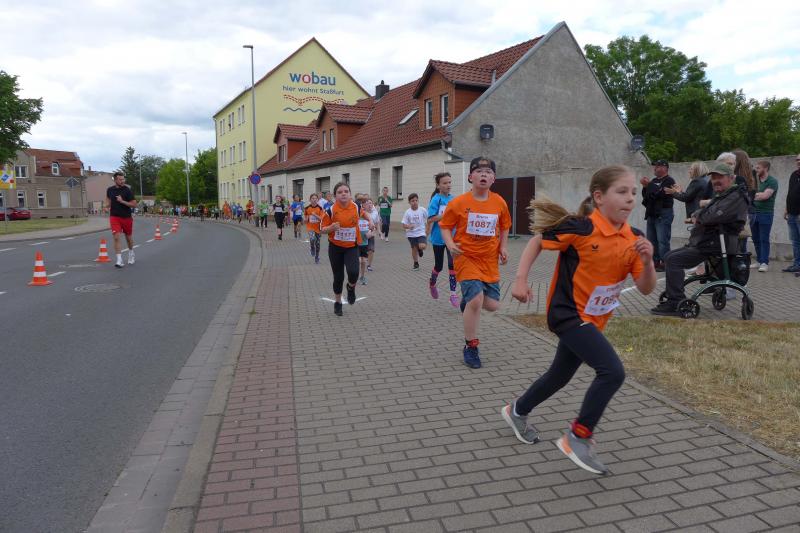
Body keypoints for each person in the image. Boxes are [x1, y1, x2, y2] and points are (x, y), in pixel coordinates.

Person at [505, 164, 656, 475]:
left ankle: (516, 410)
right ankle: (579, 437)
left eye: (634, 192)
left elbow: (645, 289)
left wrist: (648, 261)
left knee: (559, 376)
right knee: (612, 372)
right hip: (567, 314)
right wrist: (520, 280)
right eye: (622, 191)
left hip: (594, 320)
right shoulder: (581, 228)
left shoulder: (635, 238)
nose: (630, 198)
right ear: (599, 197)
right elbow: (537, 241)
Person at [439, 157, 511, 369]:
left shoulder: (499, 202)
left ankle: (467, 302)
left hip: (489, 260)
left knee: (492, 306)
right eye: (479, 171)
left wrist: (503, 247)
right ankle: (471, 347)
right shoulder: (459, 203)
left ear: (494, 178)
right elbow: (445, 226)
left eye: (488, 172)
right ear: (470, 177)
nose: (484, 174)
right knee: (477, 301)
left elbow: (505, 226)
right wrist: (450, 244)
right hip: (466, 256)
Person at [651, 162, 749, 315]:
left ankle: (675, 301)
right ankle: (673, 296)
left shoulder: (736, 196)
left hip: (716, 244)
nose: (715, 181)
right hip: (706, 241)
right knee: (669, 256)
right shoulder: (724, 195)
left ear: (731, 178)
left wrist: (699, 216)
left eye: (720, 177)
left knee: (674, 260)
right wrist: (698, 215)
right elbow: (702, 212)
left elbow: (711, 216)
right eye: (713, 178)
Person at [320, 182, 362, 316]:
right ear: (335, 196)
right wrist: (331, 228)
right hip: (335, 248)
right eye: (340, 192)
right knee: (338, 277)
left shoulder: (356, 206)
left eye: (346, 191)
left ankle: (350, 287)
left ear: (350, 194)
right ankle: (338, 303)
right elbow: (321, 229)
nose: (343, 194)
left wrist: (371, 221)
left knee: (354, 272)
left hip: (351, 246)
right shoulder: (330, 210)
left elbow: (364, 214)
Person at [427, 172, 459, 308]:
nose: (448, 185)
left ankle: (453, 294)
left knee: (453, 265)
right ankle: (432, 283)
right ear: (438, 185)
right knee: (439, 266)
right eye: (445, 183)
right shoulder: (436, 199)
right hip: (438, 237)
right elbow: (430, 218)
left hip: (452, 237)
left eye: (449, 182)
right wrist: (446, 214)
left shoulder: (453, 199)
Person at [640, 159, 675, 271]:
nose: (655, 168)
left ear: (665, 168)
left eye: (658, 166)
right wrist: (645, 187)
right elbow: (647, 196)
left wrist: (649, 185)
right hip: (652, 213)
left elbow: (660, 194)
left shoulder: (669, 180)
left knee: (662, 240)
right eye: (655, 166)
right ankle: (655, 262)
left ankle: (665, 263)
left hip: (664, 213)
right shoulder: (654, 180)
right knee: (651, 239)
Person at [750, 160, 779, 272]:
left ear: (765, 168)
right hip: (753, 213)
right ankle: (759, 260)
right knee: (755, 238)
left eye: (758, 168)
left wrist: (752, 196)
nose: (756, 170)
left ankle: (764, 263)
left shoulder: (772, 181)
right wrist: (756, 195)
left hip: (766, 213)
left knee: (764, 239)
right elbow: (750, 194)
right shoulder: (755, 181)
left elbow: (765, 196)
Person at [106, 171, 138, 268]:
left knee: (128, 238)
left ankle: (131, 253)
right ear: (115, 180)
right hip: (114, 217)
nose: (122, 181)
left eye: (123, 179)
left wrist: (122, 201)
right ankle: (119, 260)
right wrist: (106, 207)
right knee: (116, 237)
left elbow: (134, 204)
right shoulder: (110, 190)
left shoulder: (127, 190)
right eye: (120, 179)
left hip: (126, 217)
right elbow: (108, 200)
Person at [402, 193, 428, 270]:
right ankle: (416, 263)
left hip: (421, 232)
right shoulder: (407, 212)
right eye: (412, 201)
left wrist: (428, 227)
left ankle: (420, 249)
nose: (415, 202)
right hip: (411, 234)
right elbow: (404, 225)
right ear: (409, 202)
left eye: (416, 200)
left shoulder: (422, 210)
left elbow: (429, 218)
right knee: (414, 249)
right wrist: (409, 226)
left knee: (422, 246)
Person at [784, 154, 800, 273]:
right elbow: (790, 193)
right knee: (795, 241)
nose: (798, 161)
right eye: (797, 160)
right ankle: (797, 264)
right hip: (792, 214)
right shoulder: (794, 174)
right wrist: (786, 209)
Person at [357, 201, 375, 285]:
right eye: (363, 205)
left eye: (366, 204)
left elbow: (373, 228)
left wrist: (370, 233)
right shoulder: (356, 216)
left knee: (363, 261)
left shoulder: (368, 217)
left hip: (364, 243)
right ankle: (354, 276)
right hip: (356, 243)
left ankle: (362, 277)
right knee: (358, 261)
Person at [304, 193, 324, 264]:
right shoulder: (307, 208)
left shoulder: (320, 208)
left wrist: (315, 215)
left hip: (318, 228)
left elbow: (321, 219)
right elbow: (306, 218)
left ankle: (317, 256)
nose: (314, 200)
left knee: (318, 243)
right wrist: (305, 220)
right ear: (310, 200)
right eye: (313, 198)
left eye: (316, 198)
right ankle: (312, 248)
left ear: (317, 200)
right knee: (312, 239)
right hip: (310, 227)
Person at [364, 197, 380, 272]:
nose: (369, 205)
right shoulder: (362, 213)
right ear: (364, 205)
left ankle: (369, 265)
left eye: (370, 203)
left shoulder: (375, 213)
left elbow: (377, 223)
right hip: (363, 235)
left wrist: (379, 231)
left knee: (371, 250)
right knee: (363, 251)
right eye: (367, 203)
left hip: (371, 234)